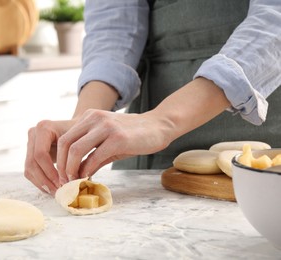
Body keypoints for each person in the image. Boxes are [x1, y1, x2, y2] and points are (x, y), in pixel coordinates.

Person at [24, 0, 281, 195]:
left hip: (268, 115)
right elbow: (113, 25)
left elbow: (274, 20)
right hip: (147, 126)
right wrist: (82, 123)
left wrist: (163, 121)